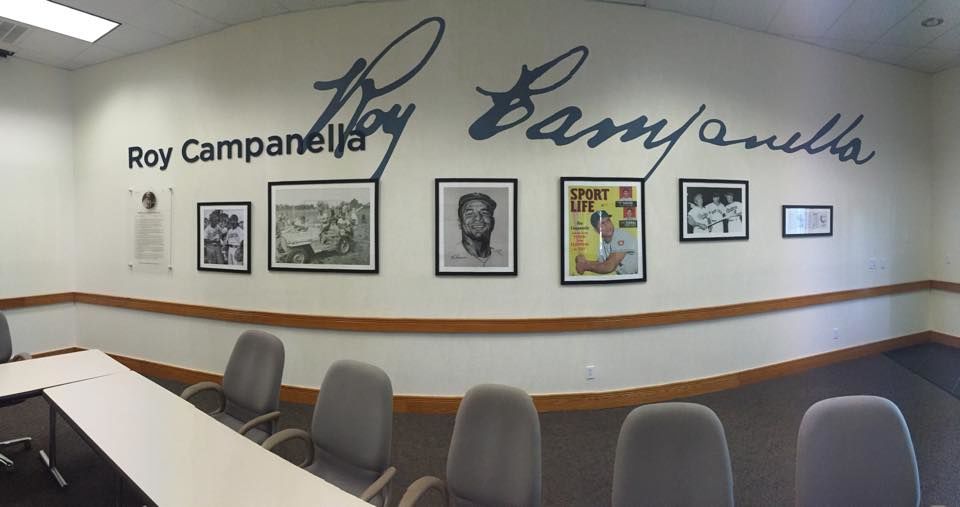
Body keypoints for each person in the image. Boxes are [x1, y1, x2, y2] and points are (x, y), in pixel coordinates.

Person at [446, 192, 507, 268]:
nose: (478, 218)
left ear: (492, 223)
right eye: (469, 213)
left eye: (484, 213)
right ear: (460, 223)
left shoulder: (503, 260)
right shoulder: (447, 259)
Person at [575, 210, 639, 275]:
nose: (607, 225)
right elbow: (601, 264)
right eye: (602, 223)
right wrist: (583, 261)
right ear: (596, 230)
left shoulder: (621, 235)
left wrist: (585, 265)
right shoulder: (602, 244)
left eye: (608, 220)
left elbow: (609, 266)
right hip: (627, 278)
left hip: (639, 275)